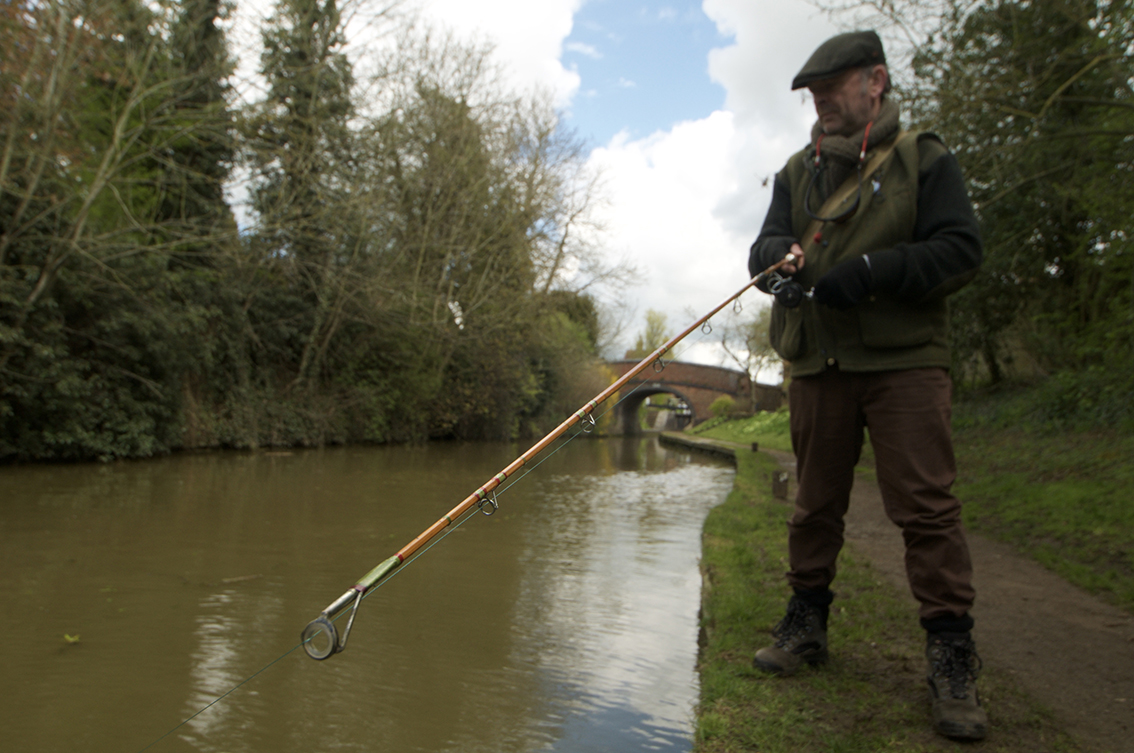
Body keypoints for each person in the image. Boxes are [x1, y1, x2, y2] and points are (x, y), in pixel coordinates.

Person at [747, 30, 987, 740]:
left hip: (903, 363)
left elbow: (960, 250)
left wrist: (877, 273)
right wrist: (777, 270)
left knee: (927, 510)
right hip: (818, 364)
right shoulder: (796, 172)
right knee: (813, 504)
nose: (818, 100)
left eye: (833, 86)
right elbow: (763, 250)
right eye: (811, 93)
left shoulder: (924, 157)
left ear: (875, 81)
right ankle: (806, 624)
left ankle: (952, 656)